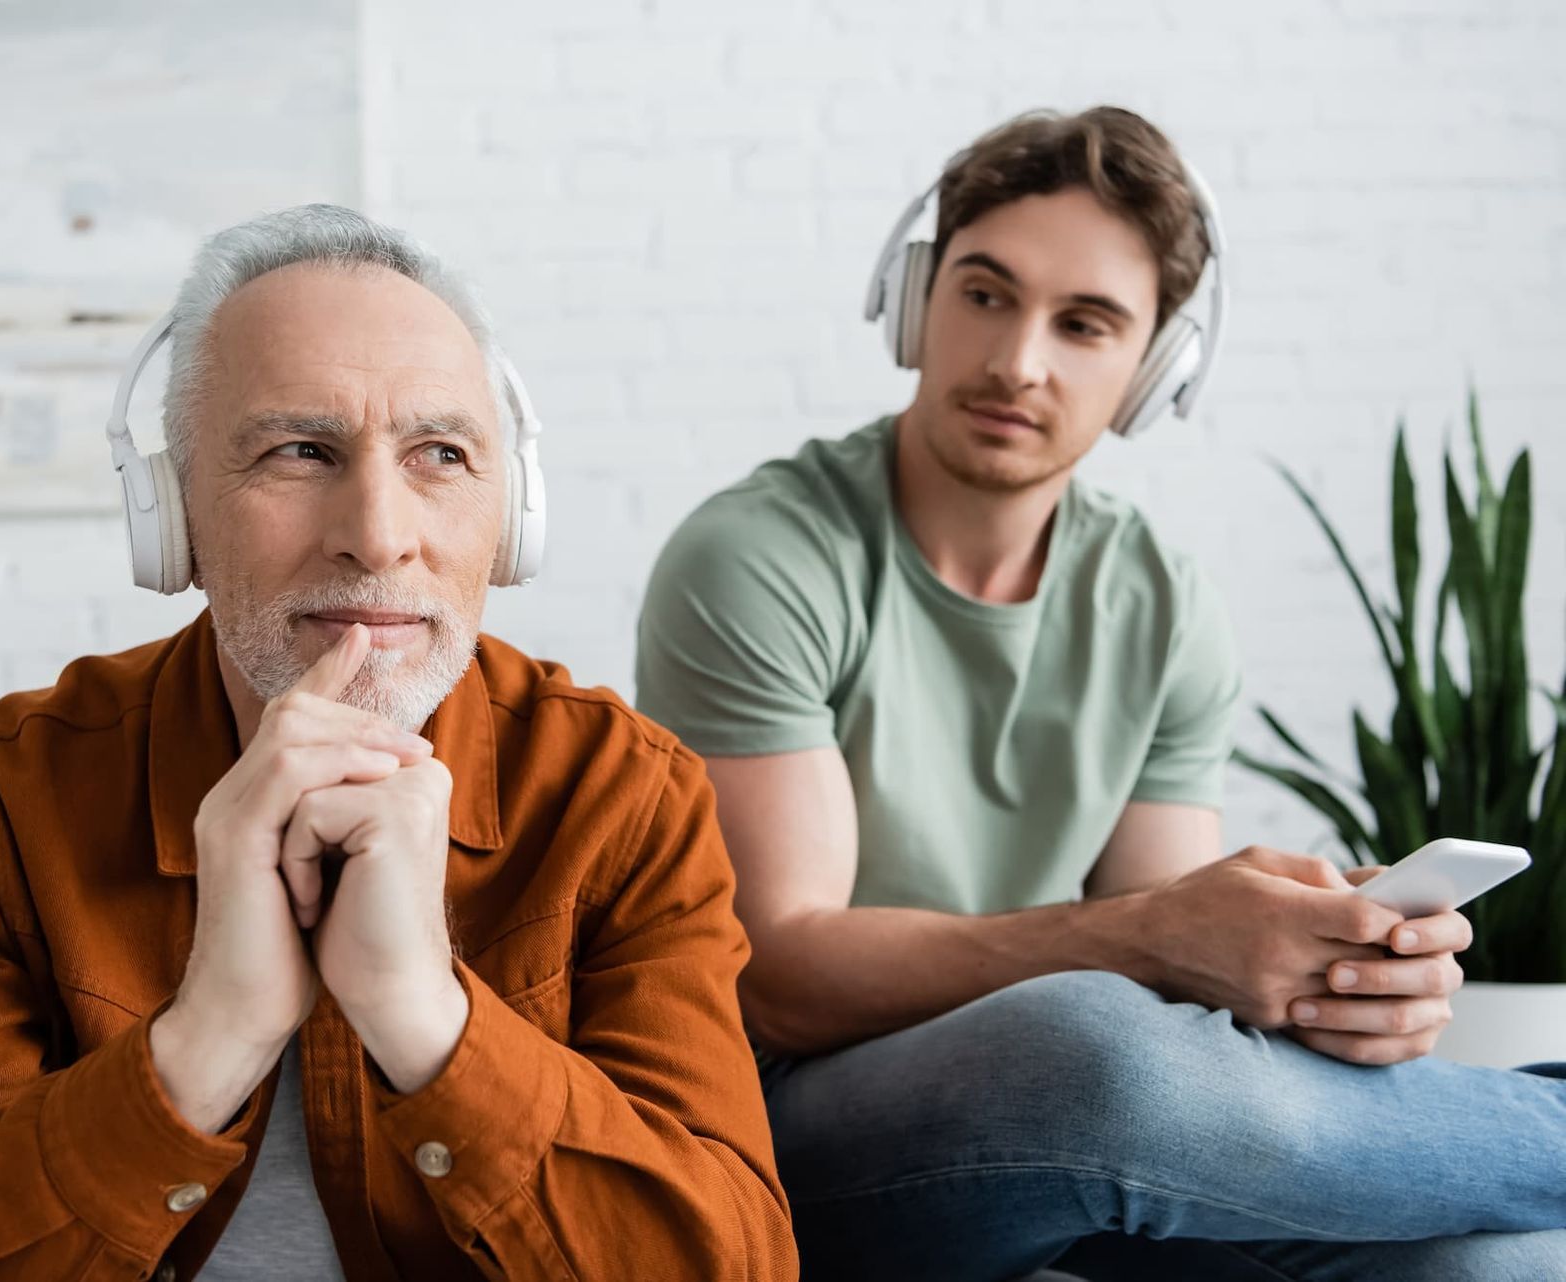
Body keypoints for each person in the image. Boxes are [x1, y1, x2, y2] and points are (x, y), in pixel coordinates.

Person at [0, 205, 796, 1282]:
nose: (379, 534)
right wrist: (205, 1038)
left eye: (440, 454)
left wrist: (428, 1018)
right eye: (300, 451)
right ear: (173, 521)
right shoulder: (2, 793)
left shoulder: (624, 794)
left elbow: (732, 1263)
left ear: (512, 516)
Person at [635, 106, 1566, 1282]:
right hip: (798, 1138)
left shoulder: (1163, 604)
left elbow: (1186, 981)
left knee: (1500, 1267)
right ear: (918, 300)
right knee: (1094, 1045)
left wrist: (1324, 974)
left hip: (1078, 1141)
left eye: (1085, 324)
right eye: (984, 294)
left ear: (1151, 369)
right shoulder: (759, 555)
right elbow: (781, 975)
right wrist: (1149, 938)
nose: (1018, 359)